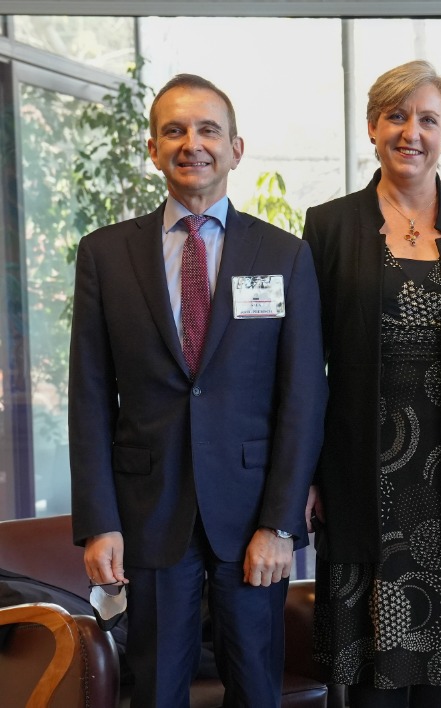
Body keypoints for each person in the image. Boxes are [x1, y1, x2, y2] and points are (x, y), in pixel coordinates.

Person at [69, 73, 327, 707]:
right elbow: (91, 396)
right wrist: (99, 522)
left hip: (250, 518)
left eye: (209, 129)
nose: (193, 144)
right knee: (156, 688)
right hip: (149, 513)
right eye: (174, 130)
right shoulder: (104, 255)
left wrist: (281, 524)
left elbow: (302, 398)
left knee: (256, 688)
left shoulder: (285, 255)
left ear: (237, 148)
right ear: (153, 148)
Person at [301, 60, 441, 708]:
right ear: (374, 128)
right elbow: (305, 364)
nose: (411, 132)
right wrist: (305, 474)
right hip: (357, 476)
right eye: (396, 116)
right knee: (371, 684)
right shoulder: (329, 226)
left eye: (427, 119)